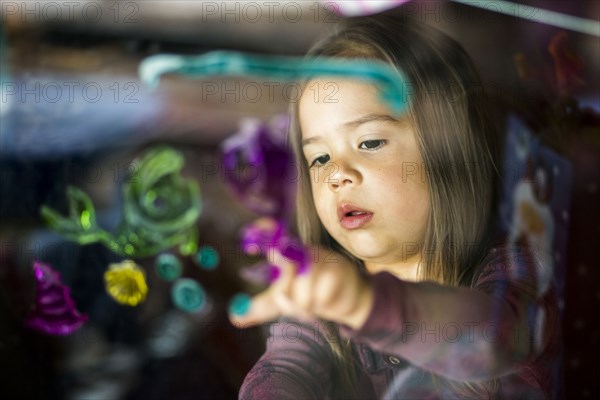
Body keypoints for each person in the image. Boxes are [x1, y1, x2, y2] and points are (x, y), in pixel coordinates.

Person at [229, 14, 561, 399]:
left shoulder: (517, 269)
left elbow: (491, 338)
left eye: (369, 143)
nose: (337, 174)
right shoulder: (324, 307)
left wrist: (366, 304)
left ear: (448, 153)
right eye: (319, 158)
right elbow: (282, 371)